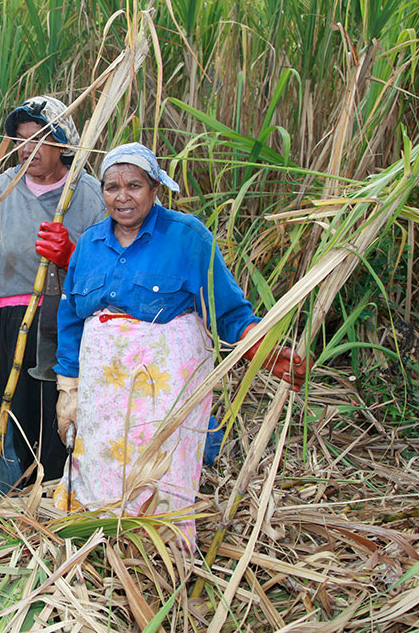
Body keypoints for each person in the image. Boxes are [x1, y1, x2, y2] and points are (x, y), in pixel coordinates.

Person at [52, 142, 306, 543]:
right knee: (99, 464)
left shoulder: (187, 237)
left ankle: (159, 550)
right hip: (103, 393)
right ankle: (102, 543)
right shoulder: (90, 244)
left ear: (155, 188)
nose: (123, 197)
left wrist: (261, 346)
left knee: (160, 469)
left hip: (162, 391)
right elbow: (70, 317)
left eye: (134, 185)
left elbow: (227, 310)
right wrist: (68, 385)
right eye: (112, 187)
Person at [0, 96, 106, 496]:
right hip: (8, 323)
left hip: (66, 327)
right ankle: (0, 508)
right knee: (5, 418)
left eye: (41, 138)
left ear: (65, 144)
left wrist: (72, 256)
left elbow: (112, 269)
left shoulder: (90, 194)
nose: (29, 149)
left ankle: (61, 505)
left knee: (62, 420)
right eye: (22, 140)